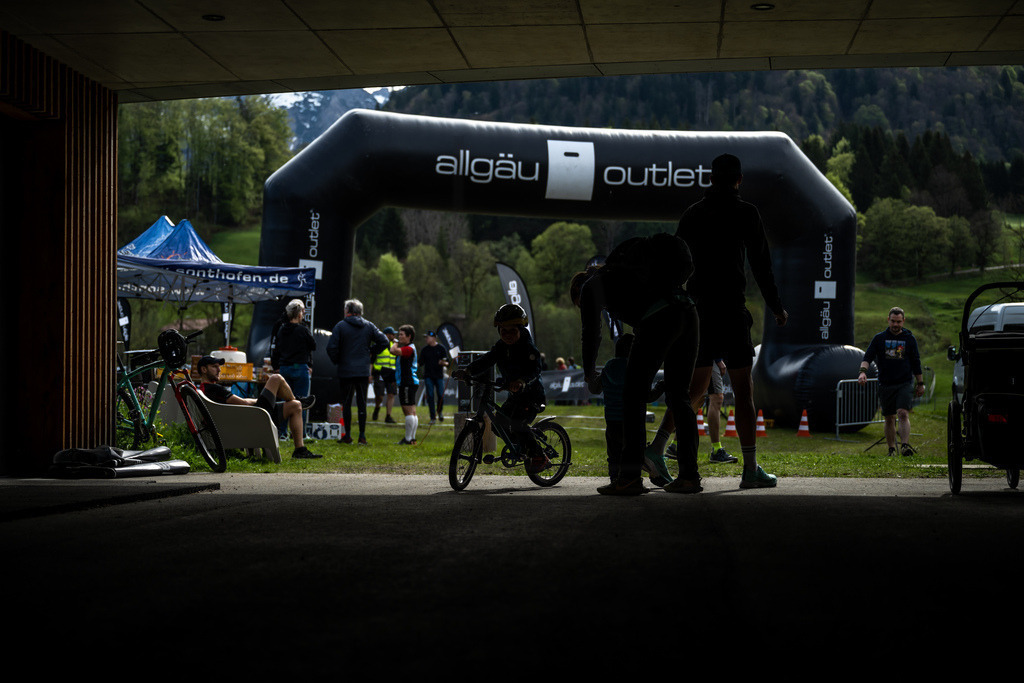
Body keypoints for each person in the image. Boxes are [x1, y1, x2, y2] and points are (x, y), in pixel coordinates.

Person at [674, 152, 788, 490]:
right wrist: (777, 307)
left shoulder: (693, 213)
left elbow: (676, 260)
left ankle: (665, 454)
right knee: (743, 392)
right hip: (732, 311)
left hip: (699, 313)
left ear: (711, 178)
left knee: (692, 393)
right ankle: (750, 469)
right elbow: (761, 266)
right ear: (739, 180)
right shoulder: (746, 212)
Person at [571, 232, 700, 496]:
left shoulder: (589, 288)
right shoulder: (630, 273)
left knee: (632, 395)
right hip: (688, 311)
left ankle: (629, 477)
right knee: (680, 397)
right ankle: (689, 476)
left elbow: (591, 334)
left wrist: (588, 373)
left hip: (659, 318)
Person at [453, 304, 548, 474]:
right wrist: (467, 370)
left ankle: (539, 454)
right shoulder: (501, 347)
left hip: (532, 396)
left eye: (512, 331)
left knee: (517, 424)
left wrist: (521, 381)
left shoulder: (528, 348)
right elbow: (487, 360)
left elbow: (535, 370)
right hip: (515, 396)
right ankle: (523, 445)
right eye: (503, 331)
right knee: (497, 426)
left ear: (520, 329)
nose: (508, 335)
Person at [197, 355, 319, 459]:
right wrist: (264, 400)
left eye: (219, 366)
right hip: (254, 420)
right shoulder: (213, 389)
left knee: (295, 406)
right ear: (203, 369)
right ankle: (297, 399)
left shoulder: (206, 390)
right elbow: (244, 404)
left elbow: (242, 401)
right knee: (275, 378)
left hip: (248, 420)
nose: (219, 370)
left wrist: (263, 400)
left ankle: (300, 450)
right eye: (214, 367)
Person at [600, 333, 673, 485]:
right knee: (635, 453)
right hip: (630, 420)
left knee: (613, 454)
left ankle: (615, 480)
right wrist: (660, 387)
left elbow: (596, 386)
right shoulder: (635, 368)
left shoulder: (608, 367)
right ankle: (653, 472)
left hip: (611, 420)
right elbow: (646, 396)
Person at [858, 306, 924, 456]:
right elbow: (867, 358)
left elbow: (916, 362)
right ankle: (891, 449)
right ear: (888, 320)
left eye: (899, 322)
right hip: (886, 383)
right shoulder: (879, 338)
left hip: (905, 382)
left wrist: (920, 383)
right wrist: (862, 373)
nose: (896, 325)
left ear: (903, 321)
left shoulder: (909, 339)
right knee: (889, 418)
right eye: (893, 321)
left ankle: (905, 446)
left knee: (902, 413)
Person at [326, 299, 388, 446]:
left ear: (347, 311)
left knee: (346, 404)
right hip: (362, 371)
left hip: (346, 371)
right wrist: (370, 353)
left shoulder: (340, 326)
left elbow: (331, 348)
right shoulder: (369, 325)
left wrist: (338, 360)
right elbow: (384, 341)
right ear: (360, 311)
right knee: (362, 403)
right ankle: (362, 436)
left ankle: (347, 435)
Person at [271, 299, 316, 438]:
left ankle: (282, 432)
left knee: (286, 401)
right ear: (299, 314)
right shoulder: (303, 330)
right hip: (299, 367)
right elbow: (313, 345)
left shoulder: (281, 329)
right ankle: (299, 434)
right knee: (301, 402)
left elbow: (276, 348)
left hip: (284, 368)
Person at [391, 324, 420, 445]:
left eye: (401, 335)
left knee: (407, 410)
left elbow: (393, 351)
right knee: (412, 411)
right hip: (409, 382)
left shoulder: (408, 348)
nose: (399, 337)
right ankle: (412, 438)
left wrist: (395, 342)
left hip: (407, 382)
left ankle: (408, 439)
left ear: (409, 336)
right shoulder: (410, 348)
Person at [420, 330, 449, 425]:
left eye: (427, 337)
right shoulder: (425, 350)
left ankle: (439, 411)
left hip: (439, 376)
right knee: (430, 396)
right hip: (428, 376)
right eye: (426, 337)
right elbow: (420, 362)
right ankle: (433, 418)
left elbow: (447, 362)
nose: (426, 339)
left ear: (433, 338)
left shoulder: (441, 348)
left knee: (441, 395)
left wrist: (443, 363)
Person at [371, 326, 398, 424]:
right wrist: (370, 374)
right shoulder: (379, 345)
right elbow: (371, 360)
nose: (394, 336)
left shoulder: (395, 345)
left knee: (391, 394)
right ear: (386, 335)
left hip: (391, 373)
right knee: (380, 396)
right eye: (392, 334)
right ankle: (377, 407)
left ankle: (388, 416)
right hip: (380, 373)